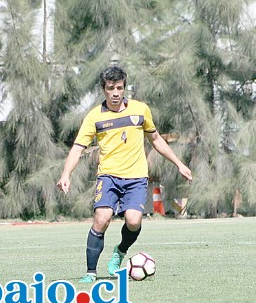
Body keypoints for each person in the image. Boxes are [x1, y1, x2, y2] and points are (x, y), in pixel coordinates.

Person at [56, 65, 192, 283]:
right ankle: (91, 272)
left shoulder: (140, 111)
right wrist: (66, 174)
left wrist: (178, 163)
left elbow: (156, 139)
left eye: (120, 87)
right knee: (101, 219)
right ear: (104, 90)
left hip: (136, 177)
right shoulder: (94, 117)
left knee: (133, 221)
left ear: (124, 88)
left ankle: (119, 252)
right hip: (108, 176)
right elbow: (78, 148)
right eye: (111, 88)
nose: (116, 92)